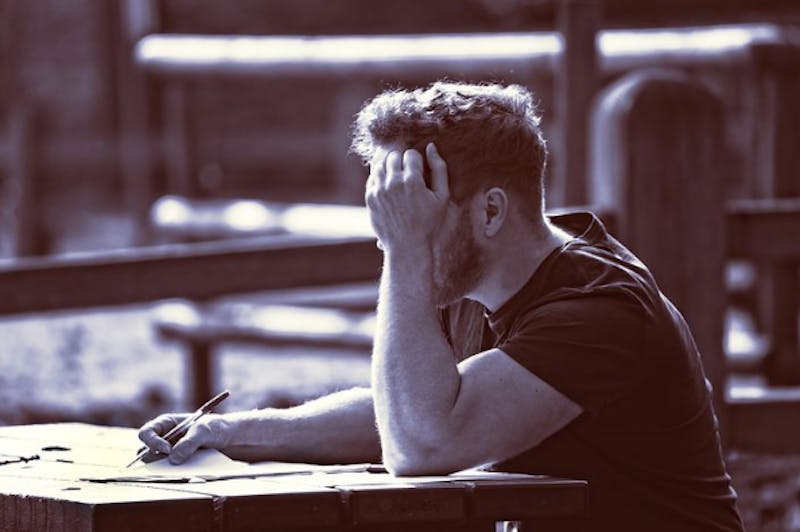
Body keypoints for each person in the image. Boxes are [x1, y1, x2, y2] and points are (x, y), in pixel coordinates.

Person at [138, 81, 744, 531]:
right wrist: (230, 433)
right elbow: (398, 412)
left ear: (490, 212)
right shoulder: (478, 281)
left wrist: (406, 251)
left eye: (414, 209)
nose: (392, 231)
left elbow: (421, 445)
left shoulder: (600, 309)